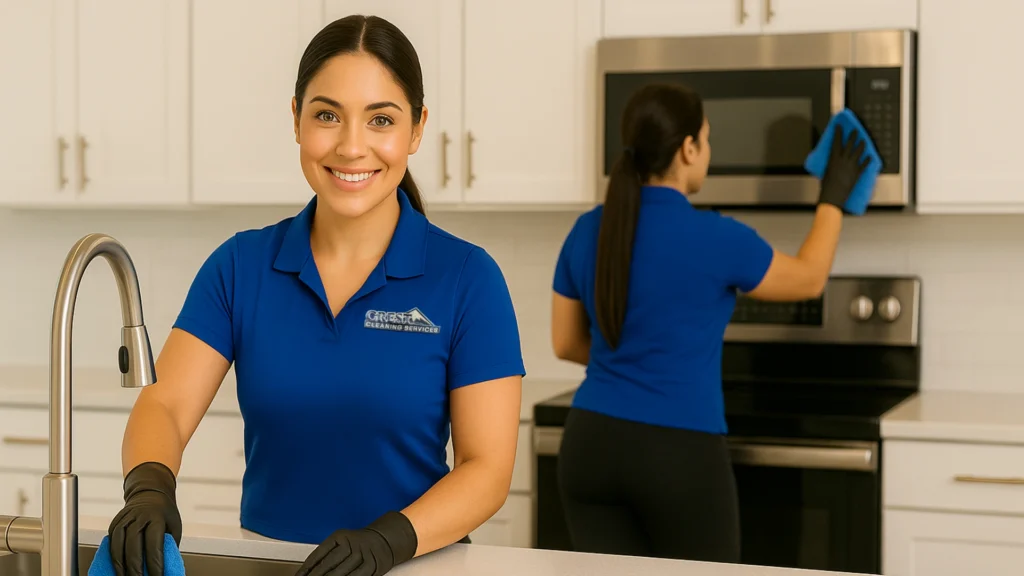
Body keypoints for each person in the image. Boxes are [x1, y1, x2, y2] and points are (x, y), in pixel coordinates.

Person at [105, 14, 526, 576]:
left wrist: (386, 541)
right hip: (271, 565)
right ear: (297, 121)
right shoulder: (241, 266)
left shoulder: (468, 279)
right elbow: (166, 404)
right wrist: (149, 487)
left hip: (417, 564)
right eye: (327, 115)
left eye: (381, 119)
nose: (352, 147)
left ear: (417, 129)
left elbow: (487, 468)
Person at [549, 83, 869, 563]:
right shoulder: (716, 237)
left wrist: (630, 358)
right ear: (688, 149)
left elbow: (566, 343)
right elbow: (808, 279)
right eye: (707, 138)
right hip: (678, 453)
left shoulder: (587, 229)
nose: (708, 151)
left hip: (591, 446)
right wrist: (833, 197)